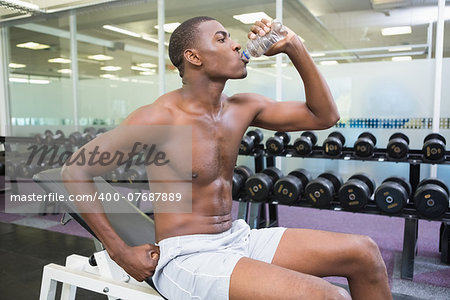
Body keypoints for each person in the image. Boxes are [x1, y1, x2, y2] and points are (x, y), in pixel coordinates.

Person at [62, 16, 392, 300]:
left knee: (363, 252)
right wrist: (121, 254)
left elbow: (324, 116)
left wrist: (293, 46)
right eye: (222, 39)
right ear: (193, 57)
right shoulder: (158, 118)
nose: (236, 45)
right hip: (187, 257)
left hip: (236, 236)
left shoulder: (242, 107)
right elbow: (75, 171)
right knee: (329, 296)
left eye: (232, 38)